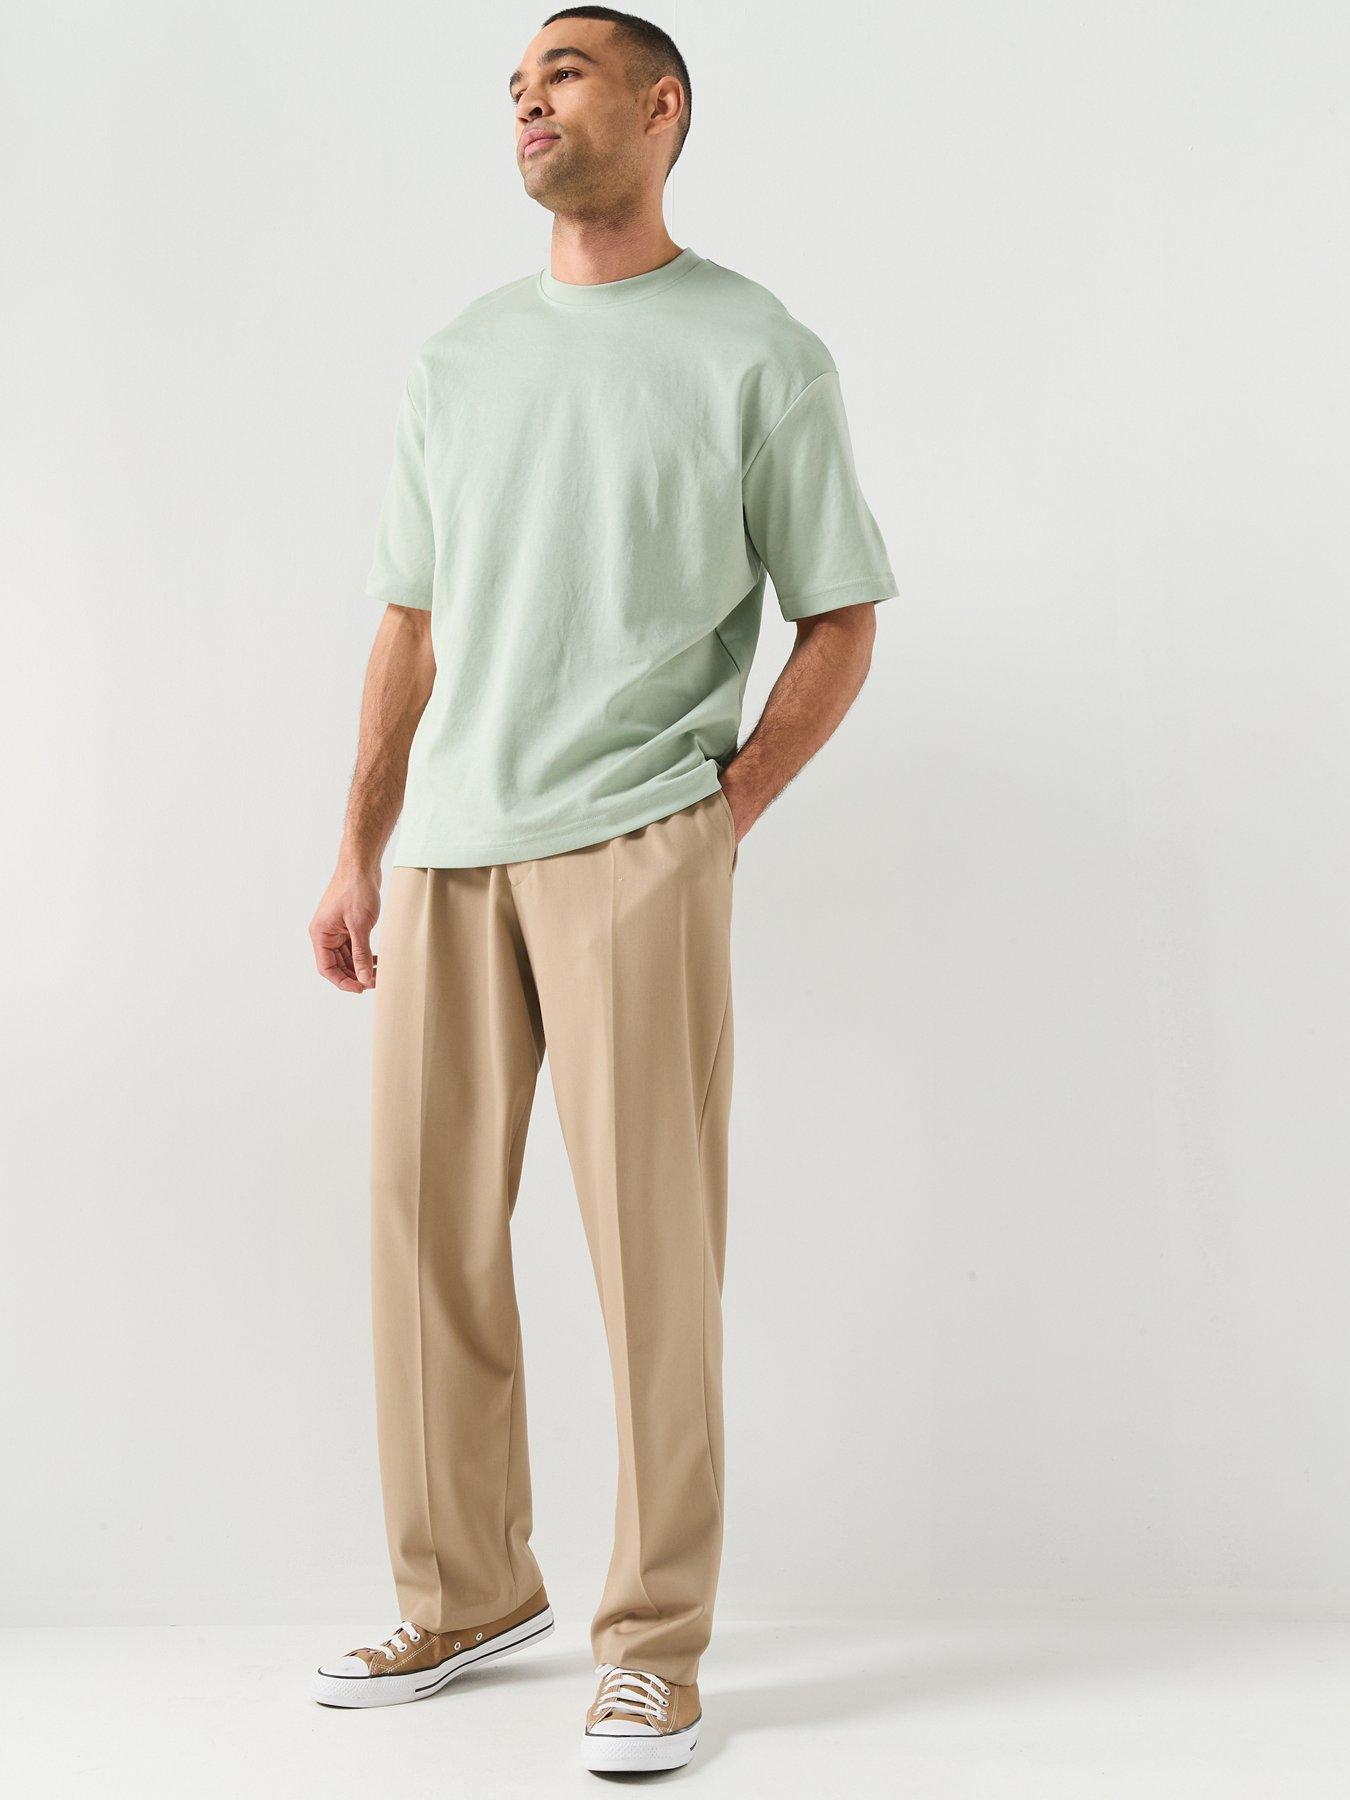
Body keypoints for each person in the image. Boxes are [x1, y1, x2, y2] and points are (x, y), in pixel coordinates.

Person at [306, 5, 895, 1774]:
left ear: (660, 108)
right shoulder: (458, 359)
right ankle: (464, 1590)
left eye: (561, 74)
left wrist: (724, 812)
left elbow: (839, 615)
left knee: (651, 1249)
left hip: (638, 836)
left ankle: (654, 1642)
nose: (527, 102)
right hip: (449, 849)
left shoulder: (755, 349)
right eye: (512, 86)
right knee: (421, 1232)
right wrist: (354, 845)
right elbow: (409, 624)